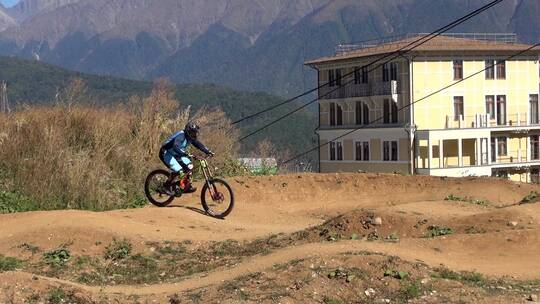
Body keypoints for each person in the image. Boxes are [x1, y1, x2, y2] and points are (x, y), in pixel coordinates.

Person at [159, 122, 214, 195]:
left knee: (189, 166)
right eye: (193, 133)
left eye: (195, 133)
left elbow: (198, 144)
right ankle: (165, 186)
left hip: (177, 154)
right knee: (179, 170)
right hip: (166, 153)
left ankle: (186, 186)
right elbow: (175, 146)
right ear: (188, 131)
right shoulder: (181, 135)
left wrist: (208, 151)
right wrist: (186, 154)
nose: (194, 135)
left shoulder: (190, 137)